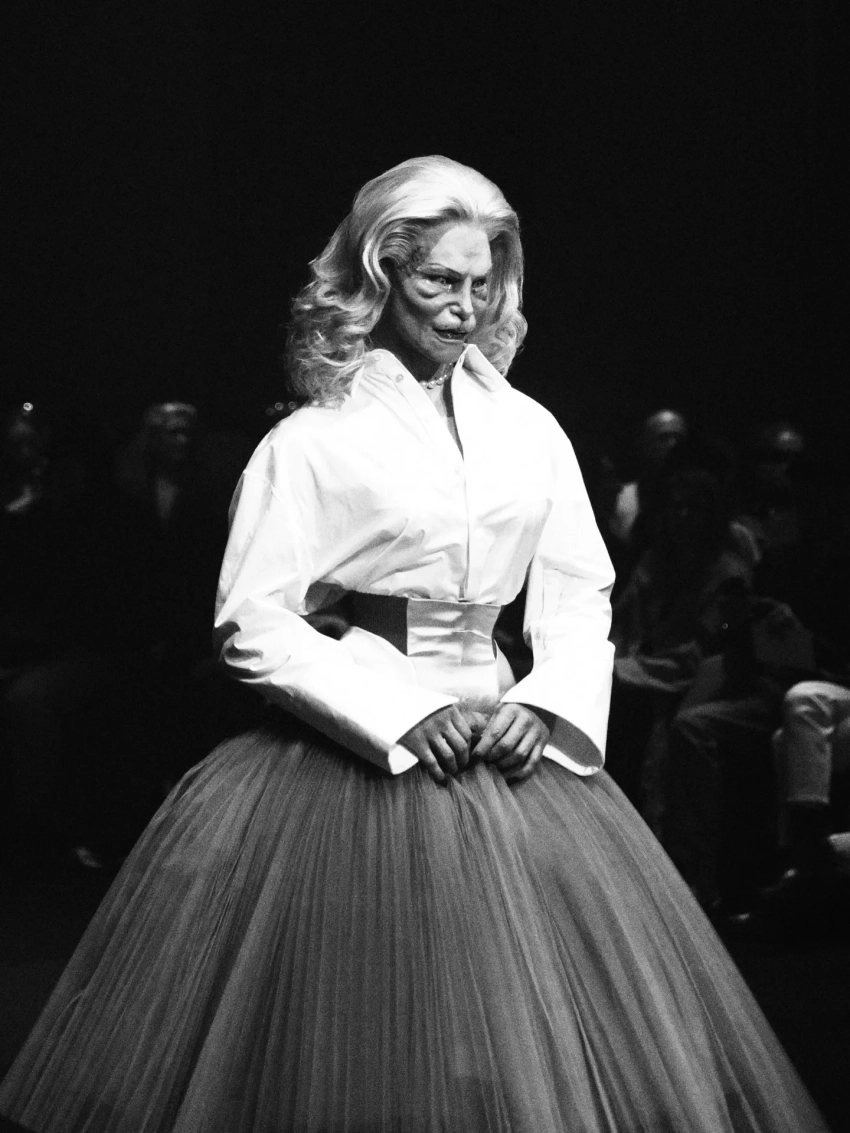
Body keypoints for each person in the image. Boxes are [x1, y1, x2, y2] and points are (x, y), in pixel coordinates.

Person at [0, 157, 829, 1132]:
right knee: (363, 1033)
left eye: (482, 281)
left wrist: (544, 702)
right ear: (381, 271)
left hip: (510, 747)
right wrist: (401, 710)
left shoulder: (531, 430)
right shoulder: (311, 440)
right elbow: (252, 620)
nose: (465, 306)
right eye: (440, 279)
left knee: (517, 1029)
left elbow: (579, 591)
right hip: (357, 756)